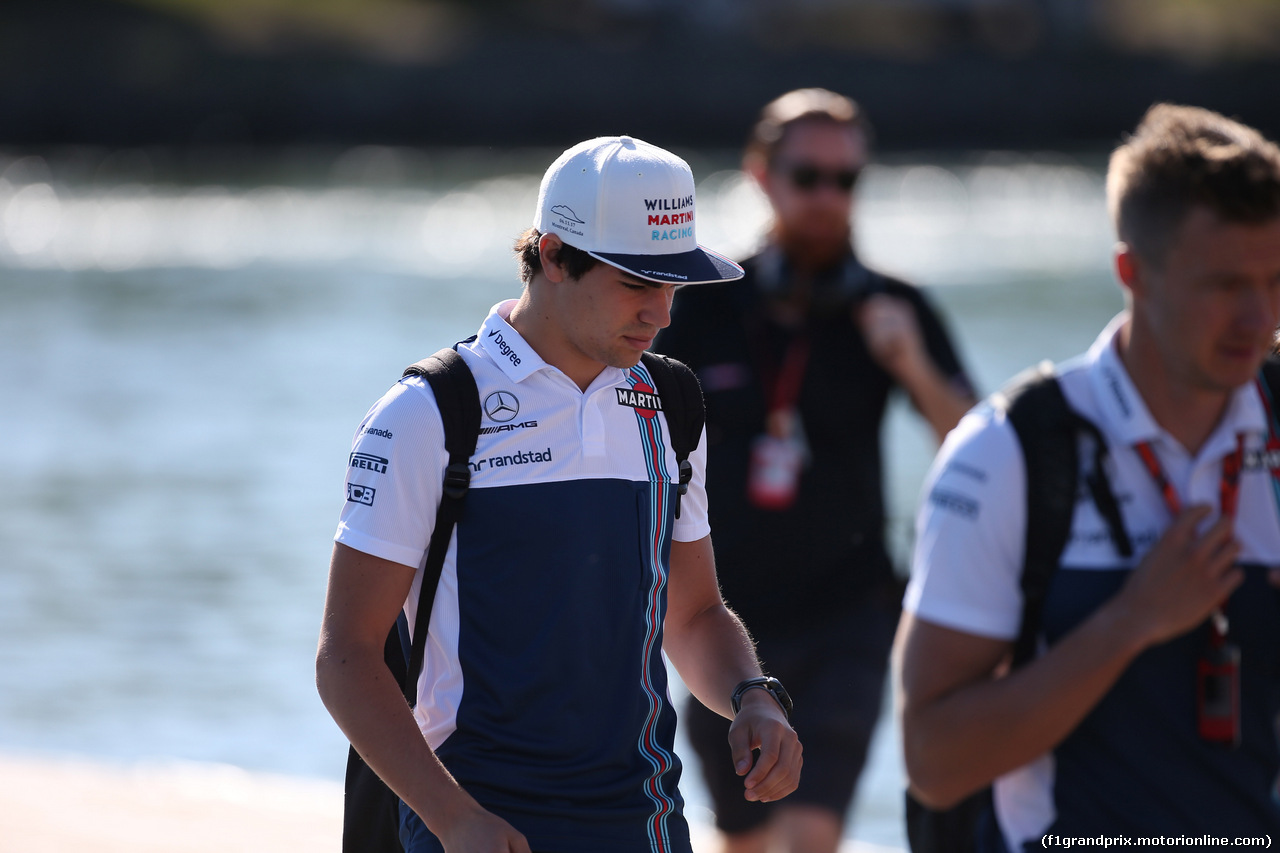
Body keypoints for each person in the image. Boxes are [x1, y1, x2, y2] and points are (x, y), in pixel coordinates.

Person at [316, 135, 802, 853]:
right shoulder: (428, 412)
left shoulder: (671, 402)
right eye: (638, 283)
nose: (662, 313)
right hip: (479, 820)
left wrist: (751, 695)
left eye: (674, 285)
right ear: (550, 255)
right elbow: (346, 656)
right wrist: (453, 818)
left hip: (645, 819)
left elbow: (694, 614)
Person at [895, 103, 1280, 850]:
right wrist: (1130, 621)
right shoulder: (1007, 451)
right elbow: (934, 762)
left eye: (1276, 279)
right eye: (1224, 283)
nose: (1258, 317)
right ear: (1132, 271)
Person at [654, 88, 976, 853]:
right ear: (762, 175)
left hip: (851, 613)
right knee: (747, 834)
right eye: (809, 177)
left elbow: (973, 443)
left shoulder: (894, 306)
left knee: (811, 832)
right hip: (721, 615)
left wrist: (912, 363)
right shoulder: (703, 306)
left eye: (847, 180)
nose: (829, 198)